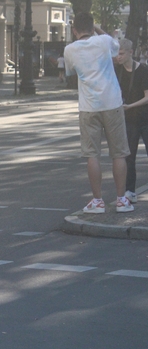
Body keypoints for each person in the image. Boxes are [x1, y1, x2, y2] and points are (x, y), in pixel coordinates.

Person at [63, 12, 134, 213]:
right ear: (92, 27)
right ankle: (121, 199)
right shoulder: (103, 41)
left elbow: (69, 71)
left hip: (88, 107)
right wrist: (98, 30)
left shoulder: (70, 49)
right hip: (112, 102)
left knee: (92, 154)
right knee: (119, 153)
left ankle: (97, 201)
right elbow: (115, 46)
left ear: (74, 30)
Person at [114, 38, 148, 204]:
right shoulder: (117, 70)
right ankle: (130, 191)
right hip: (129, 119)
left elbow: (147, 97)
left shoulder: (143, 70)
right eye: (117, 54)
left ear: (130, 53)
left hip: (145, 117)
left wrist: (130, 106)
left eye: (121, 54)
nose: (118, 57)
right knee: (129, 156)